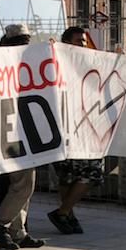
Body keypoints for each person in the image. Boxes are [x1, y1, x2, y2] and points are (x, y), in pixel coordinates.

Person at [0, 24, 46, 250]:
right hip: (7, 130)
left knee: (23, 184)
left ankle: (17, 231)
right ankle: (0, 225)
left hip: (25, 130)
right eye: (20, 42)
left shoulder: (29, 62)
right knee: (23, 184)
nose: (25, 46)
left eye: (26, 41)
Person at [48, 26, 105, 235]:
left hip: (85, 128)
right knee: (66, 175)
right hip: (63, 126)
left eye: (83, 40)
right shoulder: (56, 61)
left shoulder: (91, 61)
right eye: (78, 40)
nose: (82, 44)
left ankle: (63, 212)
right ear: (66, 43)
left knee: (93, 172)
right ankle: (67, 215)